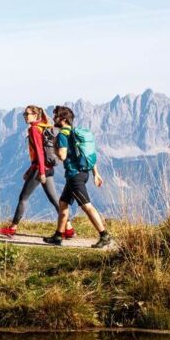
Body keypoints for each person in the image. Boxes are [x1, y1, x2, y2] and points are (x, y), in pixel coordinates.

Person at [0, 106, 74, 238]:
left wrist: (41, 172)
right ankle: (69, 228)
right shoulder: (43, 126)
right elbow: (43, 152)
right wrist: (30, 170)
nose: (25, 116)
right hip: (48, 168)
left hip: (41, 169)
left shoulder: (34, 129)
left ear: (35, 115)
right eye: (24, 114)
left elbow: (39, 151)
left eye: (28, 114)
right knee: (55, 200)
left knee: (23, 198)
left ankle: (13, 228)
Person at [46, 106, 111, 248]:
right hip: (82, 173)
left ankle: (104, 234)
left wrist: (55, 146)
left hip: (75, 176)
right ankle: (58, 236)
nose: (53, 118)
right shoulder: (75, 133)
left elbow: (62, 156)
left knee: (86, 206)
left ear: (63, 119)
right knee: (63, 204)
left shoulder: (63, 134)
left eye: (56, 116)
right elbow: (86, 154)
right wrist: (96, 173)